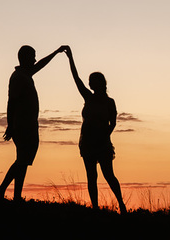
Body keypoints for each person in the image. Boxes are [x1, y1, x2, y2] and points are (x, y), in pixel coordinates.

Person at [0, 43, 66, 201]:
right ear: (24, 58)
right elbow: (11, 102)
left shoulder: (26, 74)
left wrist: (56, 52)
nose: (34, 60)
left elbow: (41, 64)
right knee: (22, 160)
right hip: (22, 125)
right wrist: (10, 125)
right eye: (32, 56)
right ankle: (2, 189)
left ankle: (15, 195)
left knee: (23, 161)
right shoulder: (18, 77)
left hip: (29, 125)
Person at [64, 46, 126, 213]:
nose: (90, 83)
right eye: (90, 80)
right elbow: (76, 78)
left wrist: (104, 137)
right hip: (88, 142)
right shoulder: (88, 97)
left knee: (108, 175)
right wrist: (70, 58)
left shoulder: (109, 102)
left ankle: (121, 204)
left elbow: (112, 123)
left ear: (100, 83)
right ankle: (95, 208)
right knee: (92, 177)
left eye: (93, 80)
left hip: (102, 143)